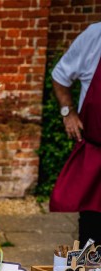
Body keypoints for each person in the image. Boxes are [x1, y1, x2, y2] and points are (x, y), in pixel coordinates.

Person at [50, 22, 101, 247]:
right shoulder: (95, 36)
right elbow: (60, 77)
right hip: (96, 154)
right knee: (93, 232)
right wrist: (67, 112)